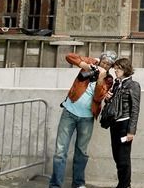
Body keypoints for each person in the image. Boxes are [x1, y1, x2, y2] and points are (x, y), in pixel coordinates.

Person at [49, 51, 116, 188]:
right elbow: (69, 56)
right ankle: (55, 185)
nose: (105, 65)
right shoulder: (91, 64)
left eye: (108, 64)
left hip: (86, 118)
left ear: (111, 66)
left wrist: (100, 79)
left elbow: (98, 98)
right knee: (60, 151)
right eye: (103, 62)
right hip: (69, 112)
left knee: (81, 152)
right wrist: (86, 65)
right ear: (100, 60)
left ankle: (78, 184)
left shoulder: (108, 79)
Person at [103, 58, 141, 188]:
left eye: (118, 68)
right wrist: (108, 98)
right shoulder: (116, 84)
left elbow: (135, 109)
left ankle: (125, 185)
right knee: (117, 157)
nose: (115, 70)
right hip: (114, 124)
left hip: (125, 125)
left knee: (123, 158)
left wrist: (131, 131)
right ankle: (122, 184)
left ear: (125, 69)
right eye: (115, 68)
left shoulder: (133, 85)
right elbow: (114, 106)